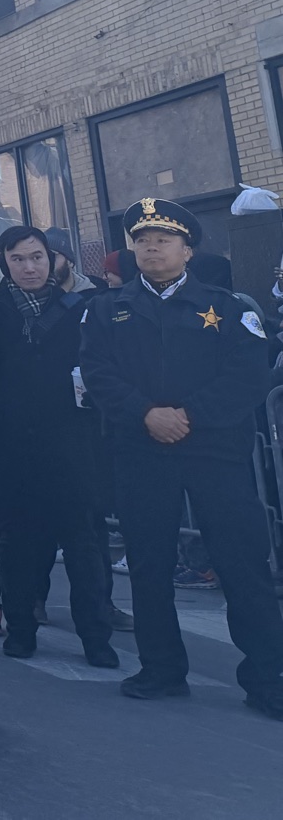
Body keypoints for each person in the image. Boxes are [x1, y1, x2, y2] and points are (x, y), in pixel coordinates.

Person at [80, 199, 283, 720]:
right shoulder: (107, 309)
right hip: (141, 450)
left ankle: (268, 677)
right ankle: (161, 669)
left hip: (215, 451)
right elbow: (97, 373)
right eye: (143, 240)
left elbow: (248, 376)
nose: (152, 247)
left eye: (164, 240)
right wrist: (146, 414)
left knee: (242, 563)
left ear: (187, 249)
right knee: (149, 563)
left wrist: (188, 415)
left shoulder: (227, 308)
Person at [0, 225, 116, 668]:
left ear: (52, 260)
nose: (30, 267)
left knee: (84, 546)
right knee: (18, 545)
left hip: (72, 446)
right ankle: (21, 629)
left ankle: (96, 638)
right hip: (12, 448)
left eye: (37, 257)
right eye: (18, 259)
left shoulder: (83, 308)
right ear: (4, 263)